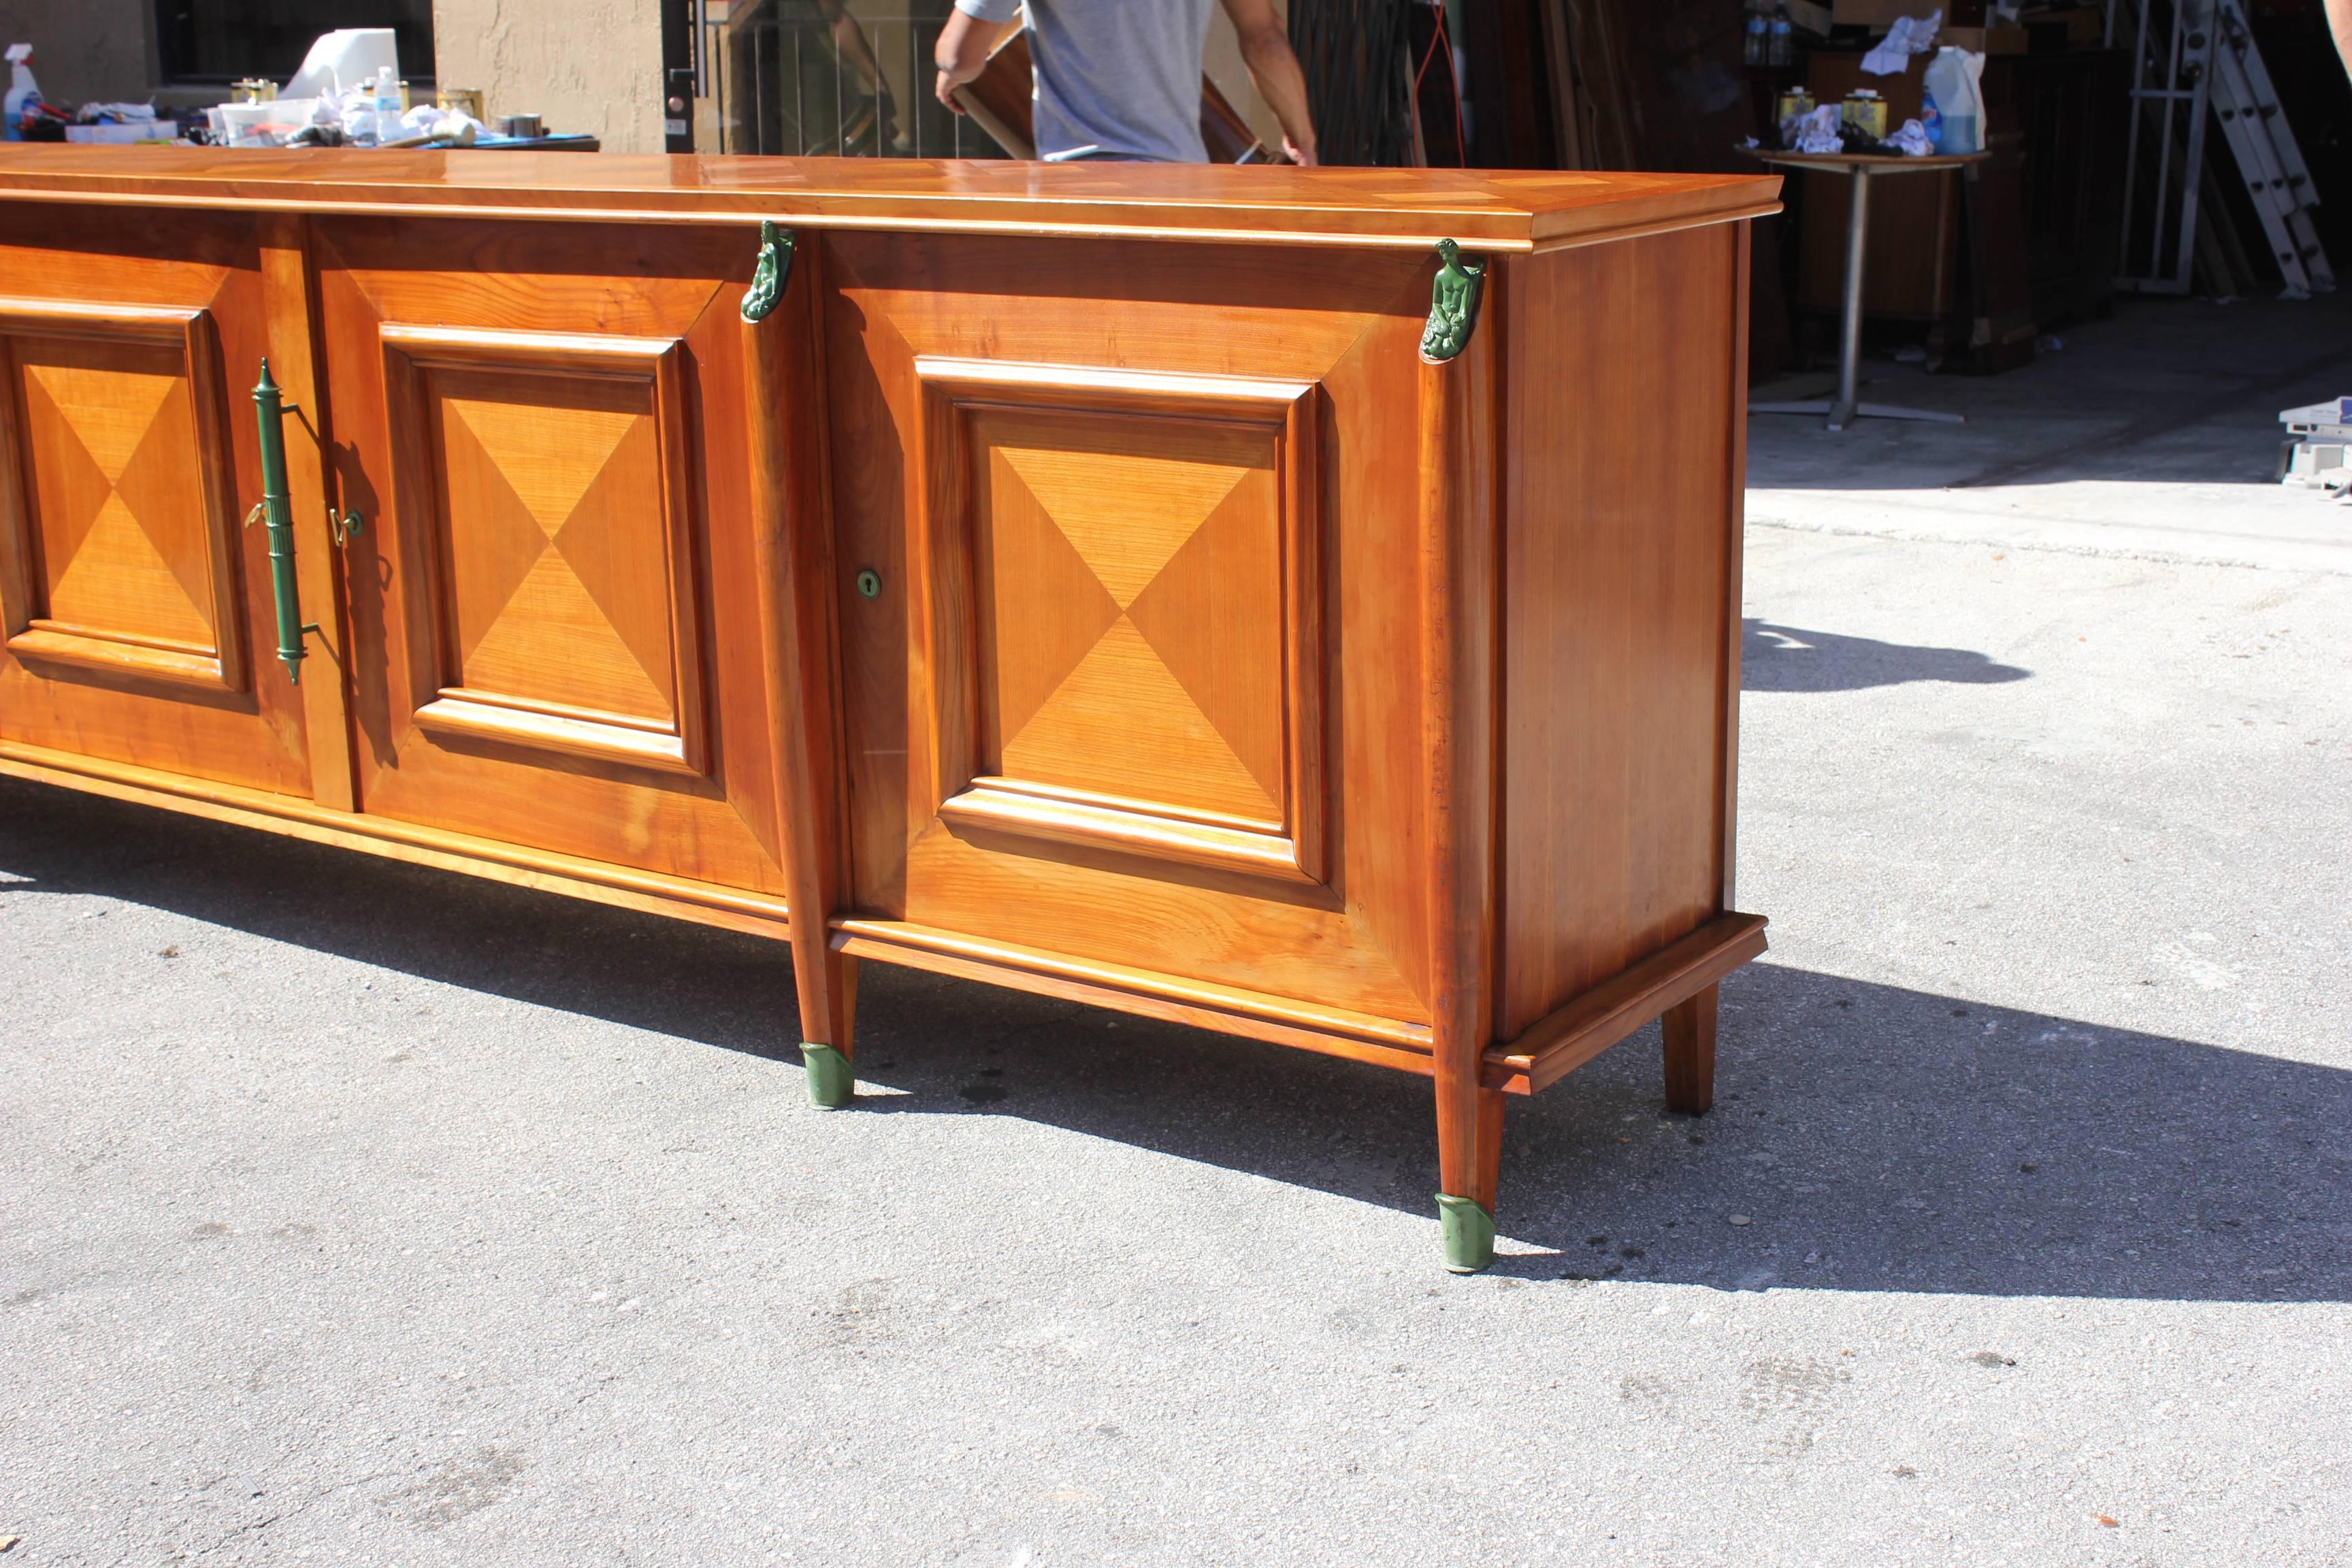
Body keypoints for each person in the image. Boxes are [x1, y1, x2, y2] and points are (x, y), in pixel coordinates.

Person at [934, 0, 1318, 166]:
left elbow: (959, 56)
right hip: (1182, 185)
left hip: (1075, 187)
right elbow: (1265, 38)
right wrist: (1301, 137)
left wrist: (953, 73)